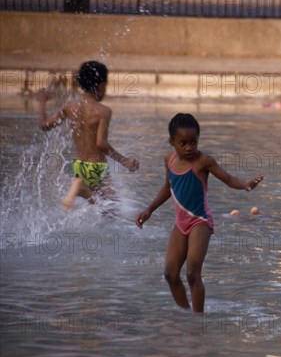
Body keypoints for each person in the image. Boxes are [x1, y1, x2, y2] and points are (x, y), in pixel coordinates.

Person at [135, 113, 263, 313]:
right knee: (170, 273)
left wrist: (245, 185)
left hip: (200, 222)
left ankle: (198, 319)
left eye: (193, 142)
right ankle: (186, 314)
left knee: (193, 273)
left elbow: (228, 178)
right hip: (180, 223)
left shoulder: (203, 161)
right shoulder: (168, 160)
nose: (189, 148)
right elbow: (168, 187)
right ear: (172, 142)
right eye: (183, 143)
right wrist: (149, 209)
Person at [36, 60, 139, 210]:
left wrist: (41, 102)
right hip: (97, 167)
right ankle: (81, 189)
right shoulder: (103, 111)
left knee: (103, 207)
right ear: (101, 85)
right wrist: (124, 161)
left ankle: (81, 187)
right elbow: (101, 144)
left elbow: (44, 125)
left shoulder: (70, 107)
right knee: (113, 210)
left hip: (78, 166)